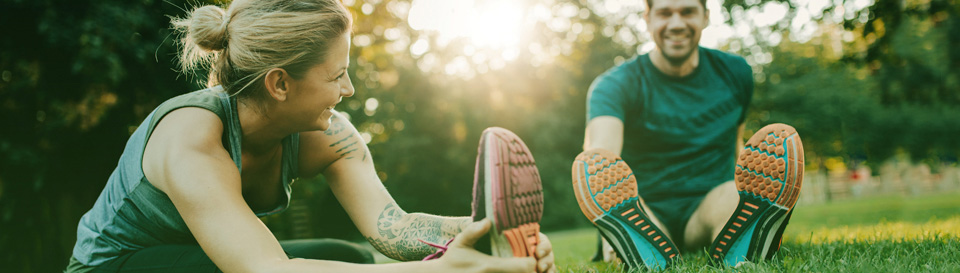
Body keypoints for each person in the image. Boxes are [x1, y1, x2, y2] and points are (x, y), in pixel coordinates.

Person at [65, 0, 555, 272]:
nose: (349, 88)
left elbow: (395, 231)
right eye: (336, 75)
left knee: (348, 259)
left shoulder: (327, 135)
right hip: (119, 268)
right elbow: (266, 271)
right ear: (280, 83)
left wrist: (484, 235)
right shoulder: (192, 138)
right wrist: (446, 271)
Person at [569, 0, 805, 270]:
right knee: (632, 212)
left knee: (733, 197)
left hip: (709, 204)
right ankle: (624, 235)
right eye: (665, 13)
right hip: (647, 209)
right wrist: (604, 213)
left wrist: (756, 183)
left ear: (705, 16)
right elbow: (600, 158)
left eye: (688, 11)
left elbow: (735, 146)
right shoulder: (614, 85)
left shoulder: (735, 73)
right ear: (647, 18)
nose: (677, 23)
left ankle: (747, 239)